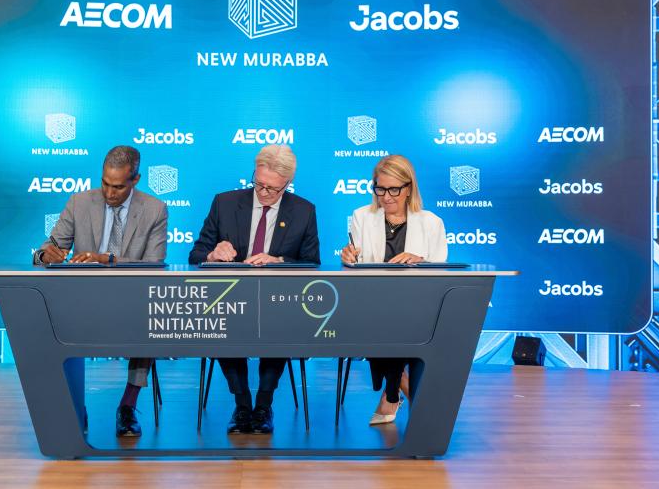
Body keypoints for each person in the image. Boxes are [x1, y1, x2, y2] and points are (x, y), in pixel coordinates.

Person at [34, 145, 167, 438]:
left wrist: (108, 259)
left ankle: (128, 407)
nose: (109, 193)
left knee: (151, 322)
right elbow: (50, 245)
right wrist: (47, 256)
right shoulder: (80, 202)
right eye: (105, 183)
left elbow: (155, 265)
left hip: (133, 299)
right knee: (56, 323)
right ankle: (73, 408)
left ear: (136, 180)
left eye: (118, 187)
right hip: (84, 298)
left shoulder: (155, 209)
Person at [189, 144, 320, 434]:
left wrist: (279, 261)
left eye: (271, 189)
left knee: (281, 325)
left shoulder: (303, 211)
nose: (263, 193)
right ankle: (242, 403)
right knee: (221, 323)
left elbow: (312, 264)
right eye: (258, 184)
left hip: (278, 302)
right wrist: (212, 254)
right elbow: (195, 254)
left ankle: (264, 405)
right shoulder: (224, 203)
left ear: (286, 184)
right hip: (231, 299)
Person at [340, 154, 447, 425]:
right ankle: (411, 396)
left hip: (418, 306)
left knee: (400, 324)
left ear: (408, 188)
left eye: (393, 190)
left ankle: (391, 397)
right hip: (372, 303)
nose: (386, 197)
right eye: (380, 188)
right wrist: (348, 258)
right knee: (381, 323)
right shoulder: (361, 217)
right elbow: (357, 268)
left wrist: (420, 261)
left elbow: (441, 271)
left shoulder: (431, 222)